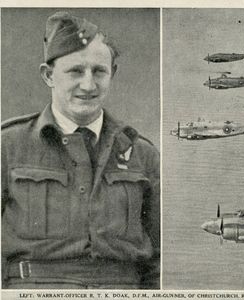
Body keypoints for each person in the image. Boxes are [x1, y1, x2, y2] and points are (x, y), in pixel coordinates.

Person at [1, 11, 160, 289]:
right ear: (49, 75)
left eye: (99, 71)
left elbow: (161, 260)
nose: (88, 85)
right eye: (75, 71)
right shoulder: (8, 146)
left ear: (113, 74)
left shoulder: (141, 154)